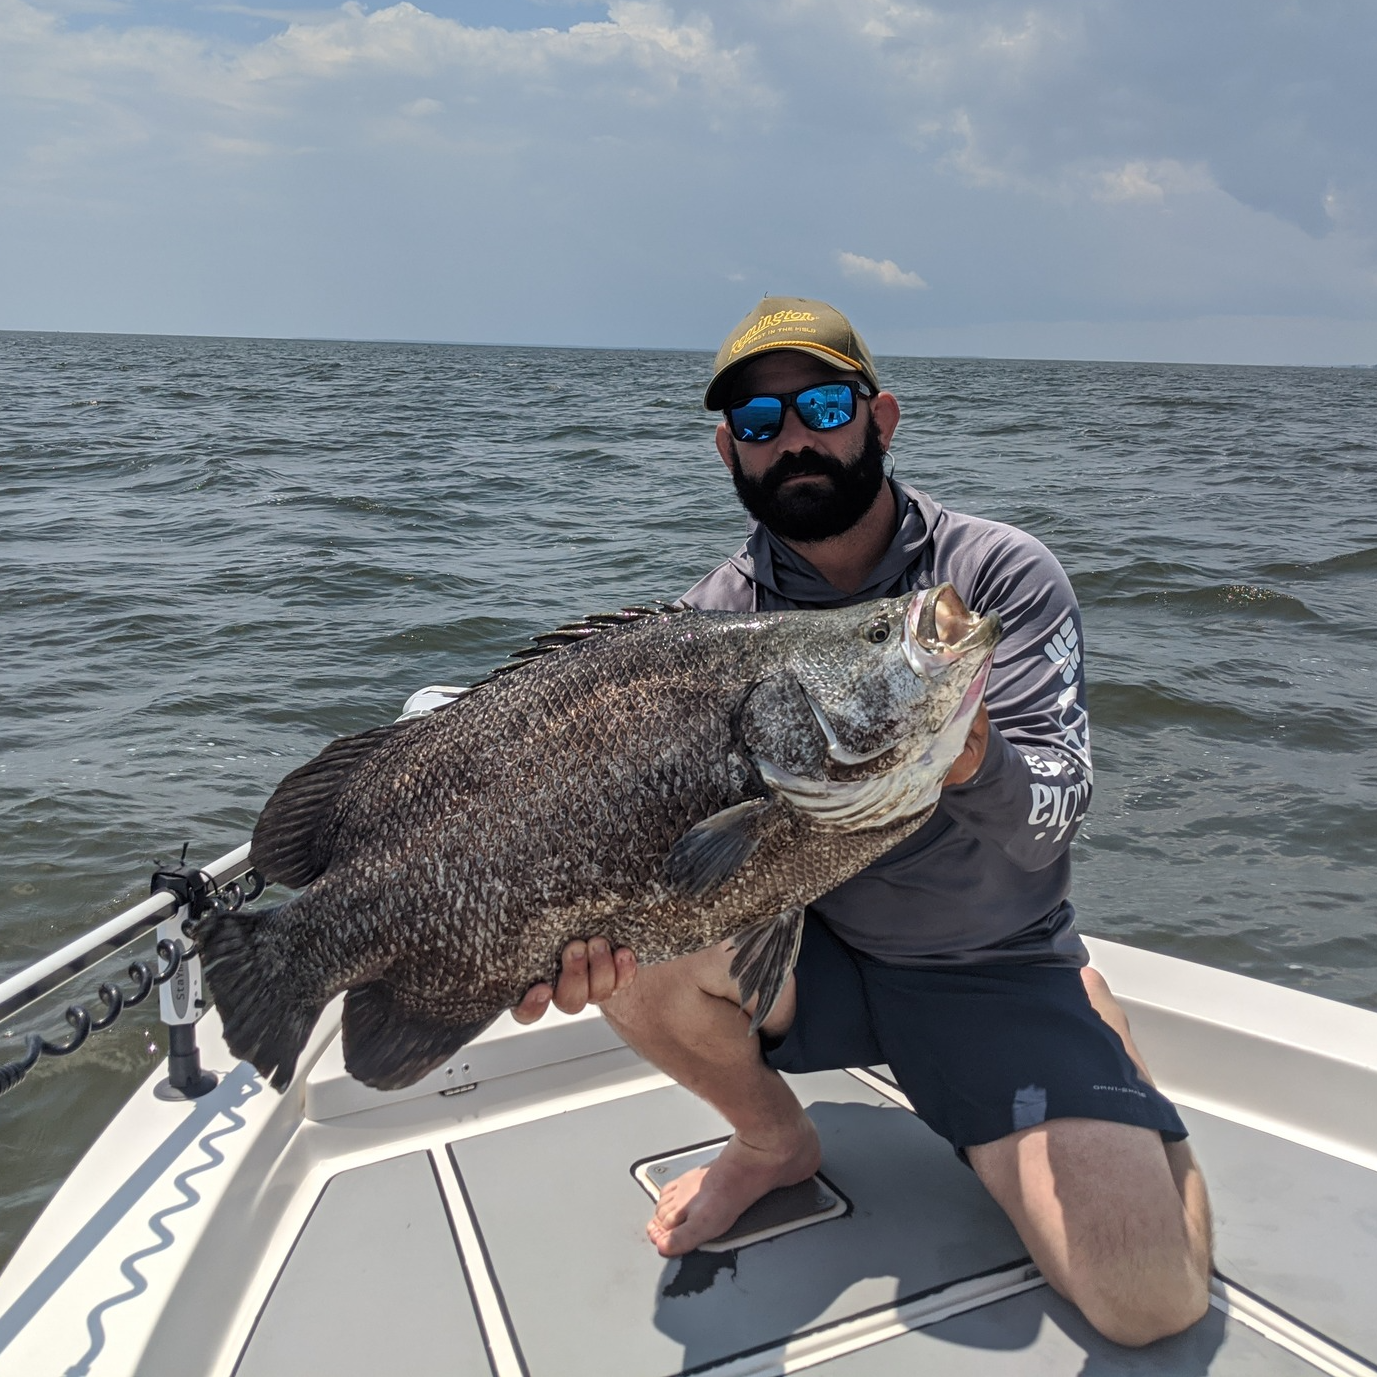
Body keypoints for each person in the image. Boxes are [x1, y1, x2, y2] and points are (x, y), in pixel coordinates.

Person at [513, 296, 1212, 1347]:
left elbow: (1051, 820)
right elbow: (683, 848)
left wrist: (975, 760)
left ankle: (1094, 1025)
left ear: (879, 418)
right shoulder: (708, 620)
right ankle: (771, 1140)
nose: (793, 437)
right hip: (813, 944)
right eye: (759, 422)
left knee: (1150, 1305)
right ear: (729, 450)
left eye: (823, 404)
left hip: (993, 966)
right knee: (631, 934)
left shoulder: (994, 579)